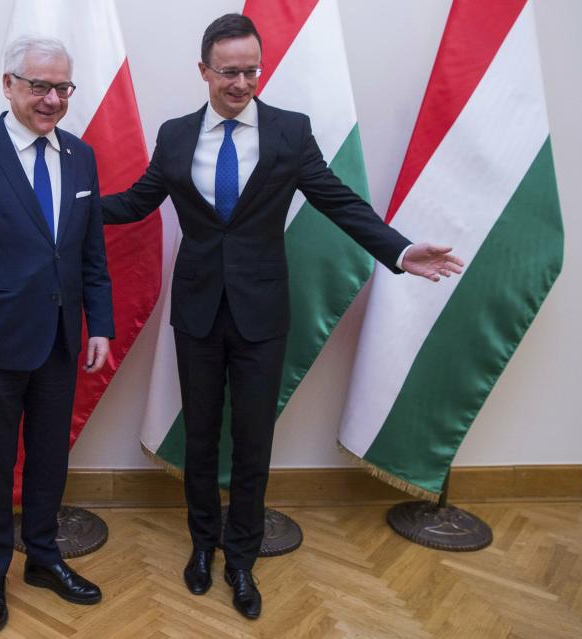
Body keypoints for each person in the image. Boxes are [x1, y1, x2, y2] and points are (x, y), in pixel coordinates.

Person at [100, 14, 463, 620]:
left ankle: (241, 558)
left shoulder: (290, 132)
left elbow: (336, 198)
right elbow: (139, 201)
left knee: (252, 439)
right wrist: (69, 203)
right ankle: (202, 545)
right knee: (200, 437)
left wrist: (398, 249)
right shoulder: (174, 135)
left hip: (262, 315)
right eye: (230, 72)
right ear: (204, 72)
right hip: (196, 311)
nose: (242, 83)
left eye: (252, 70)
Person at [0, 35, 113, 633]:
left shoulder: (81, 157)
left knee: (50, 460)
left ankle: (43, 557)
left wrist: (101, 326)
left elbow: (90, 254)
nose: (51, 99)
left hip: (60, 340)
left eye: (62, 88)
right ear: (9, 85)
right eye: (39, 86)